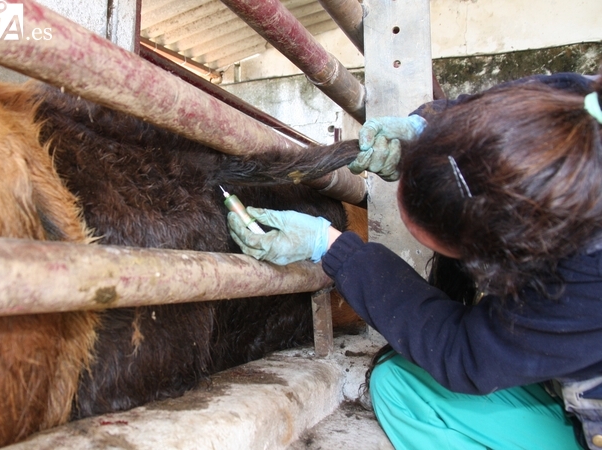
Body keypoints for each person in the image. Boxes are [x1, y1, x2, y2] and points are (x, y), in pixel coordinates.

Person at [227, 69, 602, 450]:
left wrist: (330, 245)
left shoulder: (583, 280)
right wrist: (427, 129)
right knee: (397, 378)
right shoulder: (584, 104)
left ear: (498, 255)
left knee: (399, 390)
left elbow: (465, 353)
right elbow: (535, 96)